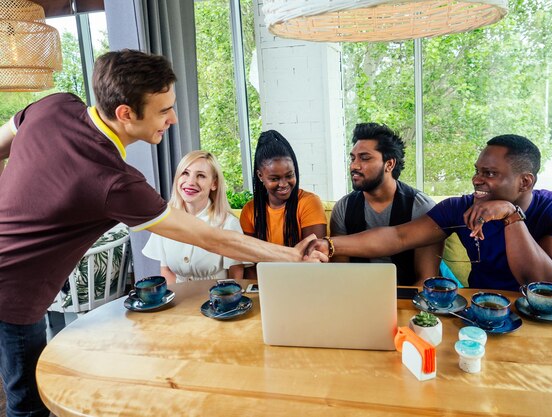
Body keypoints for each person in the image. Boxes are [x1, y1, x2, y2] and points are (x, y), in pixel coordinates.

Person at [0, 50, 322, 417]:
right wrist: (292, 256)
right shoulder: (113, 181)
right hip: (13, 294)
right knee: (27, 407)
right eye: (163, 110)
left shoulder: (53, 106)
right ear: (125, 113)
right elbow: (208, 237)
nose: (174, 118)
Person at [308, 134, 552, 292]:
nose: (477, 180)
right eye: (477, 171)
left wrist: (511, 216)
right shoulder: (459, 208)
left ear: (525, 182)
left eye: (490, 174)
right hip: (478, 310)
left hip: (542, 317)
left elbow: (542, 283)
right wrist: (329, 243)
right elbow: (398, 236)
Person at [330, 123, 442, 285]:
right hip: (358, 294)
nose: (354, 165)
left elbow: (425, 281)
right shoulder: (343, 208)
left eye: (365, 158)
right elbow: (341, 274)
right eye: (353, 158)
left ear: (389, 164)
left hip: (408, 297)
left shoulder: (421, 208)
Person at [143, 150, 250, 283]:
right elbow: (167, 271)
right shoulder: (165, 219)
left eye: (201, 176)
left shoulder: (228, 223)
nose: (191, 182)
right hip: (180, 299)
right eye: (185, 173)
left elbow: (236, 273)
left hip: (216, 299)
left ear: (214, 184)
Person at [240, 130, 327, 276]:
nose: (284, 184)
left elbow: (314, 257)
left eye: (289, 175)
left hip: (304, 280)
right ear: (260, 175)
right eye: (274, 178)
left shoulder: (308, 202)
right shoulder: (250, 211)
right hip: (266, 284)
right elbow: (249, 264)